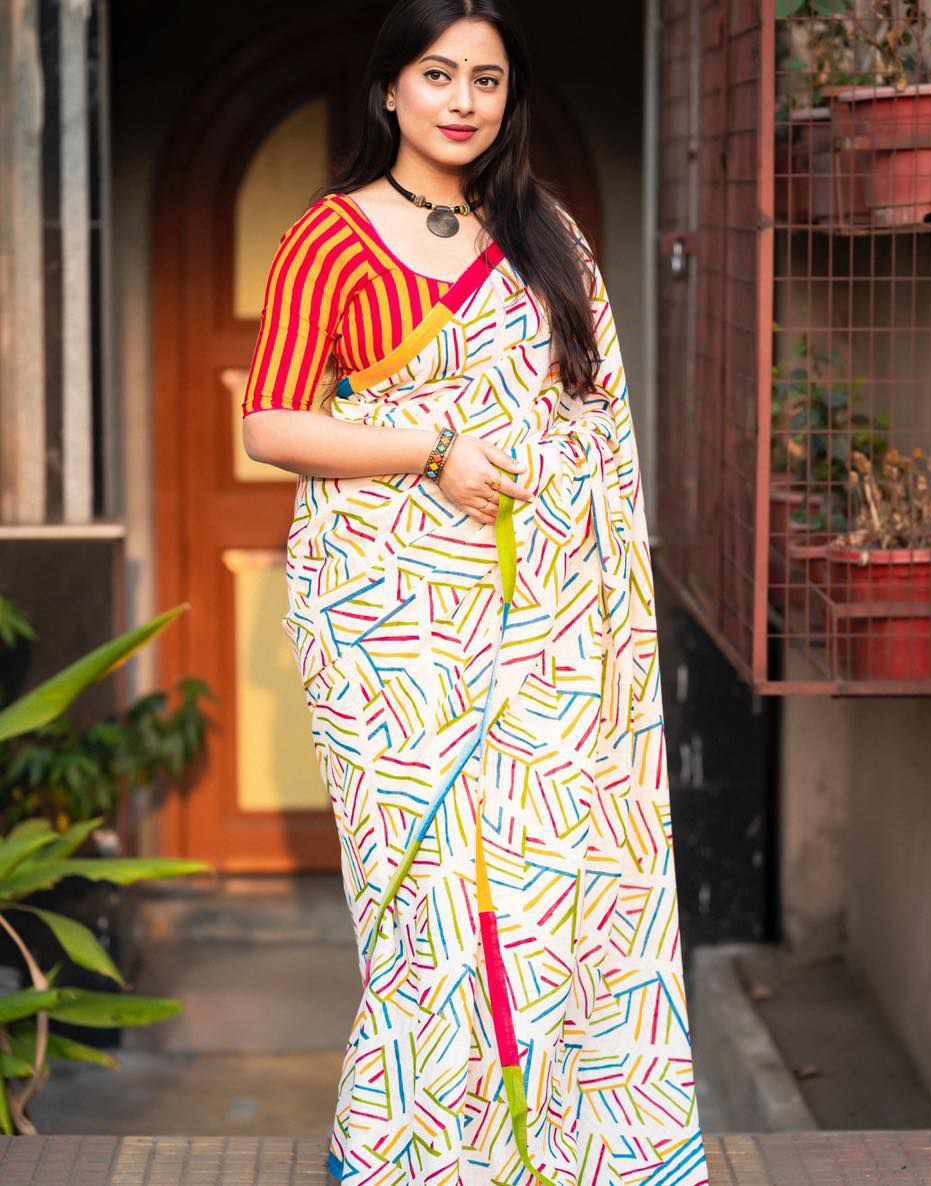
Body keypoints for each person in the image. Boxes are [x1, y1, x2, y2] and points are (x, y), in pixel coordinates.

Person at [241, 2, 709, 1183]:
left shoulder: (545, 234)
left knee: (558, 899)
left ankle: (558, 1152)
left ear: (510, 98)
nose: (462, 101)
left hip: (554, 631)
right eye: (438, 73)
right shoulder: (331, 239)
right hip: (395, 638)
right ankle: (414, 1157)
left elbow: (592, 431)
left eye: (486, 80)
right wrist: (433, 449)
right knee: (434, 917)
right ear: (389, 89)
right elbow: (271, 423)